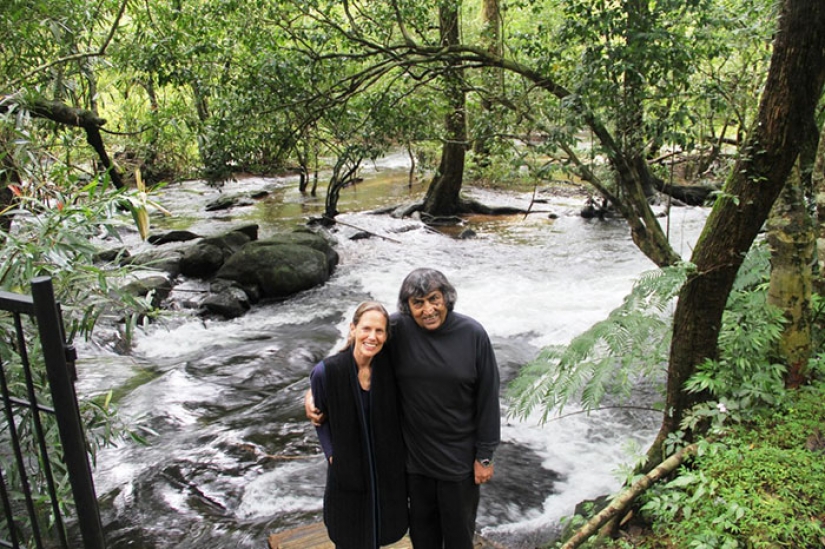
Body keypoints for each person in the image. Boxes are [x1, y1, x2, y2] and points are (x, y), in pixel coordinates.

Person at [307, 269, 501, 549]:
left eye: (434, 299)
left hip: (458, 464)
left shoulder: (473, 334)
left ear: (446, 298)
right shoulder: (398, 329)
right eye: (418, 303)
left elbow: (488, 397)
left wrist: (485, 455)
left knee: (459, 539)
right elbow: (358, 348)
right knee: (422, 539)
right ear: (408, 307)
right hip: (413, 465)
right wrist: (315, 389)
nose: (428, 310)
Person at [309, 301, 408, 549]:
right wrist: (332, 454)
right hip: (347, 471)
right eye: (366, 329)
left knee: (383, 532)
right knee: (348, 534)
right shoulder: (326, 372)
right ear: (352, 329)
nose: (372, 337)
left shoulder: (391, 368)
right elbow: (320, 419)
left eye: (379, 331)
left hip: (386, 471)